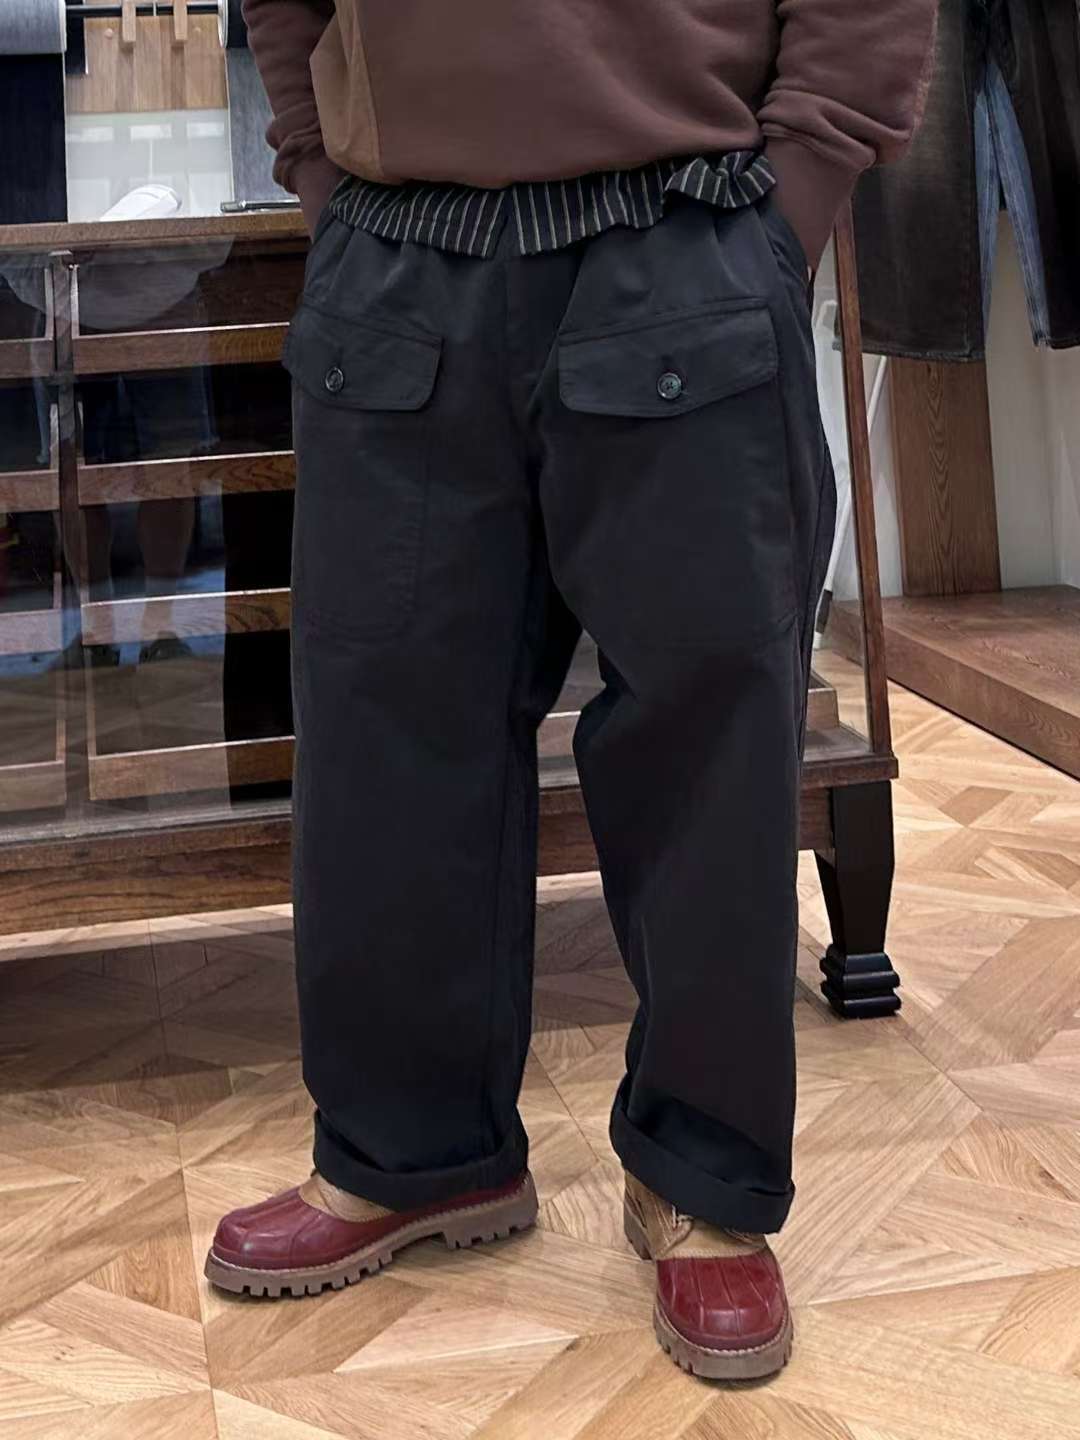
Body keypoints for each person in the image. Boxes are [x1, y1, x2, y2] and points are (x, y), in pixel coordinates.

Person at [206, 0, 936, 1381]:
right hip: (397, 250)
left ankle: (705, 1184)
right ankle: (411, 1152)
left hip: (684, 228)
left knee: (707, 749)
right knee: (380, 739)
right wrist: (320, 171)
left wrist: (785, 209)